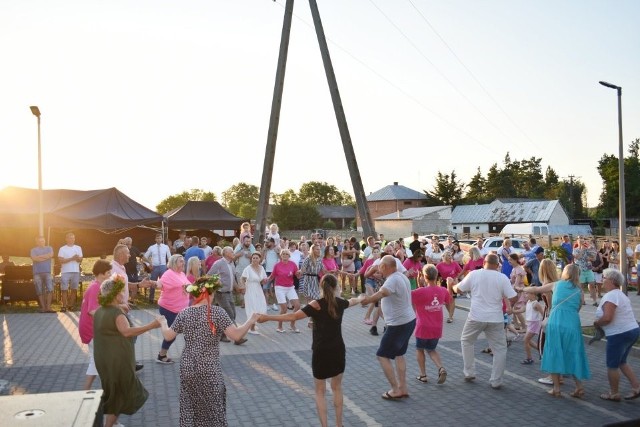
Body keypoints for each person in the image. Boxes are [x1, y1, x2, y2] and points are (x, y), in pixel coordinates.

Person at [258, 274, 360, 427]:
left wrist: (268, 317)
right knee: (337, 388)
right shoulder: (341, 302)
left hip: (321, 351)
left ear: (321, 287)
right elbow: (355, 300)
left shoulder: (316, 304)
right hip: (338, 349)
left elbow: (292, 316)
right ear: (336, 287)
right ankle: (339, 424)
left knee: (320, 392)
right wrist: (366, 297)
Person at [159, 275, 258, 427]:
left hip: (188, 366)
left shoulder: (185, 312)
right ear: (209, 294)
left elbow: (168, 335)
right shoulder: (217, 313)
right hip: (208, 367)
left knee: (191, 405)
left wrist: (163, 322)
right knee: (213, 407)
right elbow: (236, 336)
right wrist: (250, 320)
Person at [93, 275, 161, 427]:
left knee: (113, 390)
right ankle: (108, 425)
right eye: (121, 292)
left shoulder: (99, 311)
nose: (123, 295)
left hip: (103, 359)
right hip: (118, 360)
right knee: (120, 393)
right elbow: (127, 332)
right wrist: (152, 325)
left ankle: (113, 422)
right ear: (115, 294)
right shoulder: (117, 314)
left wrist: (118, 306)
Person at [522, 264, 590, 397]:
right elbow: (578, 308)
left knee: (554, 352)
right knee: (573, 354)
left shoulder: (556, 284)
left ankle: (557, 388)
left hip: (556, 322)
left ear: (565, 273)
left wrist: (522, 288)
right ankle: (579, 387)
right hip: (572, 324)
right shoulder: (579, 290)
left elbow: (536, 289)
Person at [453, 253, 517, 389]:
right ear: (497, 265)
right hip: (496, 318)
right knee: (500, 349)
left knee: (466, 341)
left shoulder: (474, 274)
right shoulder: (502, 278)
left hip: (476, 316)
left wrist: (451, 285)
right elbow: (513, 297)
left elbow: (458, 289)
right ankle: (496, 380)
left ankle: (469, 372)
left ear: (484, 263)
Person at [360, 255, 416, 400]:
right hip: (407, 321)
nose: (378, 269)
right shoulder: (400, 276)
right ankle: (403, 388)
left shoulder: (393, 279)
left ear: (385, 267)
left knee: (382, 355)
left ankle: (395, 389)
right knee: (399, 354)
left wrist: (367, 299)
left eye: (379, 266)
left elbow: (383, 293)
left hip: (398, 324)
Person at [593, 268, 640, 401]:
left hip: (619, 333)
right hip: (631, 330)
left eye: (604, 278)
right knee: (621, 361)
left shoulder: (611, 295)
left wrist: (597, 323)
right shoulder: (619, 294)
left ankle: (614, 393)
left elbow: (608, 318)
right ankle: (636, 387)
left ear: (612, 281)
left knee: (612, 365)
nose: (602, 280)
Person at [412, 264, 452, 385]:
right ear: (436, 276)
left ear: (424, 277)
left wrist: (418, 281)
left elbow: (406, 297)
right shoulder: (442, 290)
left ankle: (423, 375)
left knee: (420, 349)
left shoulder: (419, 292)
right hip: (437, 327)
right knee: (431, 349)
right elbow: (449, 301)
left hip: (422, 327)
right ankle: (441, 368)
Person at [147, 254, 190, 363]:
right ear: (174, 263)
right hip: (169, 309)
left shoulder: (181, 274)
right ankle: (161, 355)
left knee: (188, 331)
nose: (183, 263)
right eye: (181, 261)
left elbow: (187, 286)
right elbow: (159, 284)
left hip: (182, 310)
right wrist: (151, 283)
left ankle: (191, 355)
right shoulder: (168, 274)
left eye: (183, 261)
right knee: (172, 335)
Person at [79, 259, 112, 390]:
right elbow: (92, 311)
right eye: (108, 272)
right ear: (101, 274)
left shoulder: (97, 285)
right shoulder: (95, 288)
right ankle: (108, 388)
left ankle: (87, 390)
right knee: (102, 358)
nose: (110, 275)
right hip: (91, 330)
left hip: (93, 329)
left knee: (97, 359)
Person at [208, 247, 248, 345]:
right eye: (231, 251)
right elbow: (209, 275)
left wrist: (238, 288)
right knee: (229, 315)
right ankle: (237, 338)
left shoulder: (231, 264)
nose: (233, 252)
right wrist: (217, 284)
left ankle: (221, 335)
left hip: (229, 292)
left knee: (233, 313)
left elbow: (233, 279)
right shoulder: (219, 263)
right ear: (225, 253)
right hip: (221, 293)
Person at [268, 249, 301, 333]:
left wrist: (299, 274)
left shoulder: (293, 264)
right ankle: (279, 327)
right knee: (284, 308)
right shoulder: (277, 265)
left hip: (290, 287)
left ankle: (292, 324)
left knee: (297, 306)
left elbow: (297, 275)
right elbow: (272, 276)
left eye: (287, 254)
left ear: (289, 256)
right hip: (279, 288)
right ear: (281, 255)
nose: (285, 255)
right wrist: (266, 281)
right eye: (283, 254)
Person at [241, 252, 268, 334]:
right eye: (253, 258)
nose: (255, 259)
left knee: (260, 305)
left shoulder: (262, 268)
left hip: (258, 289)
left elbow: (263, 280)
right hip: (250, 289)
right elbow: (242, 278)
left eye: (257, 258)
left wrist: (264, 281)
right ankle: (251, 328)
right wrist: (243, 287)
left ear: (260, 259)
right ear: (251, 259)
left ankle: (252, 324)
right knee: (252, 308)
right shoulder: (248, 268)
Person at [58, 232, 83, 312]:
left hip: (75, 271)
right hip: (65, 271)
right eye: (70, 238)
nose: (72, 239)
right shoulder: (62, 249)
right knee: (64, 289)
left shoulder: (78, 248)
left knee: (74, 289)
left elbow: (81, 259)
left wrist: (77, 259)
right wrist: (71, 258)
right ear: (66, 239)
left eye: (73, 238)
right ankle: (64, 306)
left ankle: (71, 305)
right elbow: (60, 260)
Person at [518, 290, 545, 365]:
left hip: (534, 323)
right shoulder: (528, 302)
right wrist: (513, 310)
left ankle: (529, 358)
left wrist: (544, 322)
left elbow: (543, 314)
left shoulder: (536, 304)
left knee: (526, 340)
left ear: (533, 294)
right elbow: (522, 310)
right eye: (525, 293)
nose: (525, 295)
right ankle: (541, 350)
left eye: (527, 293)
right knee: (528, 340)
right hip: (529, 323)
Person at [144, 233, 171, 304]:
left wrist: (168, 266)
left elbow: (169, 257)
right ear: (155, 239)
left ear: (162, 239)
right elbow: (145, 257)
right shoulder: (151, 247)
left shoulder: (166, 247)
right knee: (153, 283)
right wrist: (148, 264)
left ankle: (165, 299)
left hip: (163, 267)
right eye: (157, 238)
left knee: (164, 283)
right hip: (155, 267)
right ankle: (151, 299)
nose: (159, 239)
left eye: (160, 238)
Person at [436, 251, 462, 323]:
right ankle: (450, 313)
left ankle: (450, 316)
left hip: (453, 283)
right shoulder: (439, 265)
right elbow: (435, 274)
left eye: (450, 255)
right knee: (446, 300)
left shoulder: (455, 263)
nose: (450, 256)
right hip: (444, 283)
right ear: (444, 257)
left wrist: (456, 278)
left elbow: (461, 272)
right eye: (448, 255)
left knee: (452, 299)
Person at [30, 236, 55, 313]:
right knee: (39, 290)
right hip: (37, 273)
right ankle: (43, 308)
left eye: (43, 241)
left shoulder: (49, 248)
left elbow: (51, 255)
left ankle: (48, 307)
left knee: (50, 289)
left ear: (45, 241)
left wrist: (39, 257)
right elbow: (34, 259)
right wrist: (45, 257)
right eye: (40, 241)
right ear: (37, 242)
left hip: (47, 272)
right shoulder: (33, 250)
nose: (42, 242)